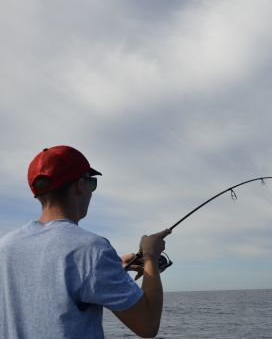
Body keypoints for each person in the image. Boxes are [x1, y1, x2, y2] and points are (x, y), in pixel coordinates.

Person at [0, 145, 170, 338]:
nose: (91, 192)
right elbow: (147, 324)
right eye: (92, 183)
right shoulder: (92, 250)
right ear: (81, 186)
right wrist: (150, 257)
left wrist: (111, 268)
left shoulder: (5, 246)